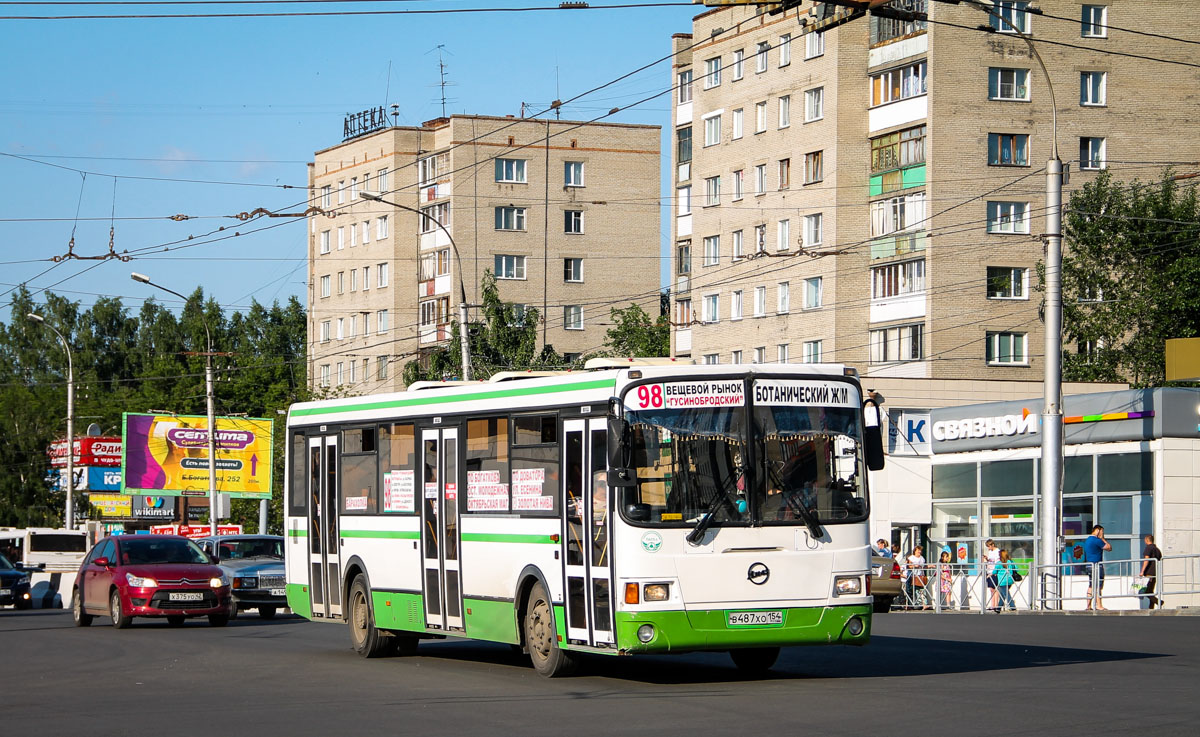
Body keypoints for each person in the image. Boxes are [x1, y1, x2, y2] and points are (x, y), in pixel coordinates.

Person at [1084, 524, 1112, 610]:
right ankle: (1099, 605)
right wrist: (1102, 538)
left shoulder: (1088, 540)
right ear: (1097, 530)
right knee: (1098, 585)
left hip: (1089, 565)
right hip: (1096, 565)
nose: (1102, 533)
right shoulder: (1096, 540)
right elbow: (1109, 548)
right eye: (1102, 531)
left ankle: (1088, 606)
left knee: (1091, 585)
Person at [1140, 534, 1163, 609]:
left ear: (1147, 540)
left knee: (1147, 591)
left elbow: (1146, 560)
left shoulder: (1148, 548)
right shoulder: (1157, 550)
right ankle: (1151, 607)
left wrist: (1142, 571)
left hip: (1149, 572)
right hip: (1155, 572)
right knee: (1151, 590)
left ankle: (1159, 602)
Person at [906, 545, 929, 610]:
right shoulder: (912, 557)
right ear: (915, 551)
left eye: (920, 550)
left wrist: (930, 566)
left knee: (922, 590)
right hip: (913, 576)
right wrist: (914, 566)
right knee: (912, 590)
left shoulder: (922, 558)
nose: (919, 551)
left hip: (920, 575)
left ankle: (924, 604)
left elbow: (924, 566)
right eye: (918, 550)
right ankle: (914, 604)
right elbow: (908, 566)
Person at [983, 539, 1001, 611]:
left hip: (994, 572)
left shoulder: (997, 551)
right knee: (991, 589)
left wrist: (996, 571)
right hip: (989, 571)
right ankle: (992, 605)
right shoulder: (990, 552)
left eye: (989, 546)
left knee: (995, 589)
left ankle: (996, 605)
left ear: (992, 545)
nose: (988, 548)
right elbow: (991, 561)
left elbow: (997, 562)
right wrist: (987, 559)